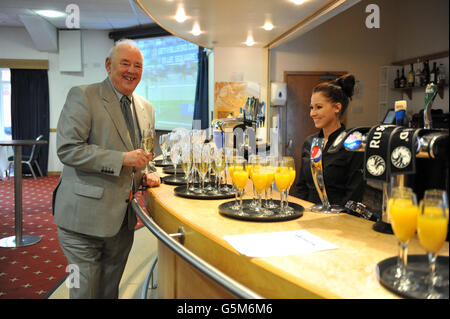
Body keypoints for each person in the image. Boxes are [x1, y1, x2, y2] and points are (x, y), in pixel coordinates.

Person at [52, 39, 160, 299]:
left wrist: (148, 170)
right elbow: (68, 149)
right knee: (86, 293)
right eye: (125, 63)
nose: (132, 70)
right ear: (108, 65)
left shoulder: (146, 108)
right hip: (82, 221)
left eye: (138, 65)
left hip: (122, 222)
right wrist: (122, 159)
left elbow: (143, 153)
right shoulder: (83, 96)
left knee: (110, 292)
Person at [294, 74, 365, 206]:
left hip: (339, 220)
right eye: (311, 107)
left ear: (337, 108)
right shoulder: (309, 142)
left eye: (318, 107)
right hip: (309, 216)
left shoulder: (353, 144)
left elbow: (353, 196)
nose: (312, 113)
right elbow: (301, 188)